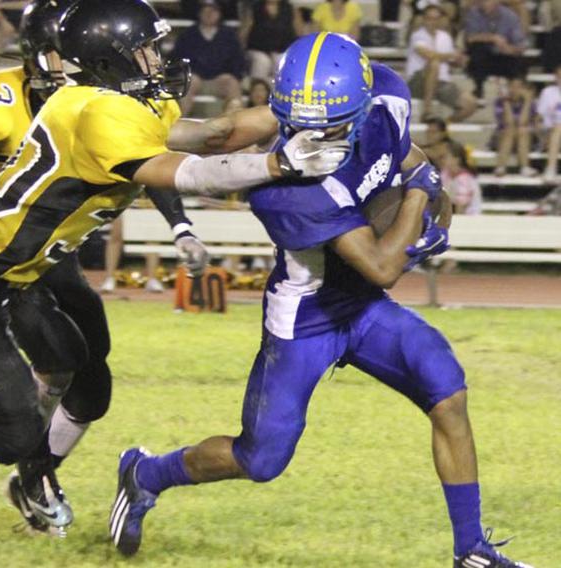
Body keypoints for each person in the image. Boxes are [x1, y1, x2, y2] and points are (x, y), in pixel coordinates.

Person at [0, 0, 349, 563]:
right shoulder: (98, 114)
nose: (158, 59)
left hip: (16, 276)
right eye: (146, 50)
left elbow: (214, 136)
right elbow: (188, 172)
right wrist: (279, 165)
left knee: (65, 368)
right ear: (110, 61)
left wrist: (303, 110)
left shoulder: (114, 101)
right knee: (8, 429)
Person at [108, 32, 532, 568]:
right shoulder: (282, 192)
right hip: (306, 317)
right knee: (261, 459)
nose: (311, 135)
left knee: (448, 395)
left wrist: (431, 196)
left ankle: (471, 550)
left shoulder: (387, 96)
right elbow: (382, 267)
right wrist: (422, 198)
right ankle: (145, 474)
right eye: (297, 122)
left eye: (328, 123)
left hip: (362, 309)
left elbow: (405, 156)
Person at [171, 0, 246, 116]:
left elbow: (237, 59)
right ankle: (179, 120)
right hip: (195, 79)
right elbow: (177, 58)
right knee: (189, 80)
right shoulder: (188, 35)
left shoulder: (228, 35)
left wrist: (234, 75)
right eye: (205, 11)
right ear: (199, 13)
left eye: (213, 11)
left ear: (219, 14)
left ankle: (235, 121)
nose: (209, 14)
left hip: (219, 80)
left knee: (231, 82)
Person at [406, 5, 477, 121]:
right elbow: (429, 55)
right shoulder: (417, 35)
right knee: (434, 64)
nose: (432, 22)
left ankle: (444, 126)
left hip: (442, 82)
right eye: (429, 18)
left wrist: (459, 60)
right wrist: (451, 55)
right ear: (424, 19)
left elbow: (449, 61)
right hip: (418, 81)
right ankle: (427, 111)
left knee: (471, 103)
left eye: (435, 19)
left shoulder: (445, 37)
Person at [464, 0, 527, 99]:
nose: (484, 4)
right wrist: (493, 38)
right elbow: (470, 38)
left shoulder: (510, 17)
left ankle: (517, 94)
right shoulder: (474, 13)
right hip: (483, 57)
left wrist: (509, 49)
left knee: (519, 61)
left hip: (502, 56)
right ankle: (479, 89)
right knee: (477, 48)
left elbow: (520, 45)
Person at [239, 0, 299, 81]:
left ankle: (279, 90)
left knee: (280, 60)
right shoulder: (255, 8)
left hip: (282, 49)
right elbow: (246, 30)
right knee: (262, 61)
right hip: (257, 49)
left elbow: (297, 31)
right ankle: (257, 89)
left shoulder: (289, 8)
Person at [493, 77, 537, 176]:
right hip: (503, 137)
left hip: (524, 138)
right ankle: (501, 167)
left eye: (519, 87)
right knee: (510, 129)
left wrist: (527, 101)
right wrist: (506, 101)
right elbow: (509, 122)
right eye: (512, 86)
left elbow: (522, 122)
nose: (515, 90)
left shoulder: (531, 103)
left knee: (522, 130)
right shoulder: (500, 102)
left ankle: (525, 167)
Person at [536, 64, 561, 181]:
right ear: (556, 77)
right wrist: (542, 136)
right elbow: (538, 119)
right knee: (558, 128)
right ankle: (551, 169)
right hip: (550, 133)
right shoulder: (548, 92)